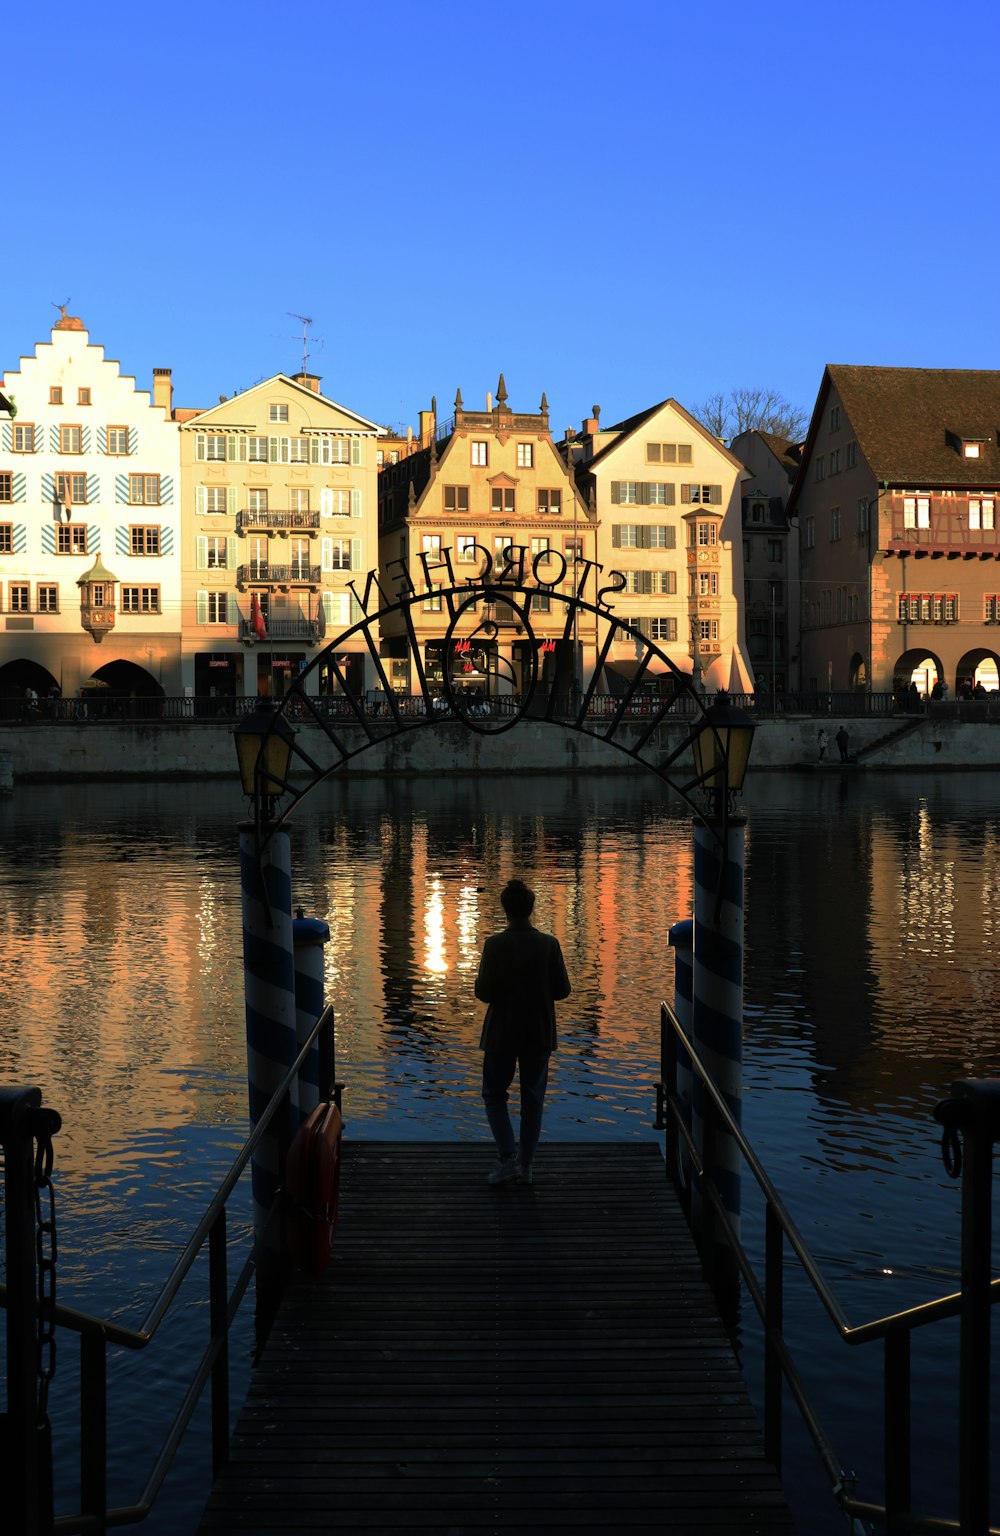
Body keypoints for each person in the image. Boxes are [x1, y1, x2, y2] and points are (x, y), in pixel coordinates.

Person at [475, 878, 570, 1186]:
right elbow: (563, 990)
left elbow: (484, 993)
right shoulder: (549, 944)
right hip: (539, 1031)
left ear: (505, 910)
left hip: (502, 1032)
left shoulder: (494, 945)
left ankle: (506, 1157)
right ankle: (526, 1165)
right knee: (533, 1098)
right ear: (531, 909)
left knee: (493, 1094)